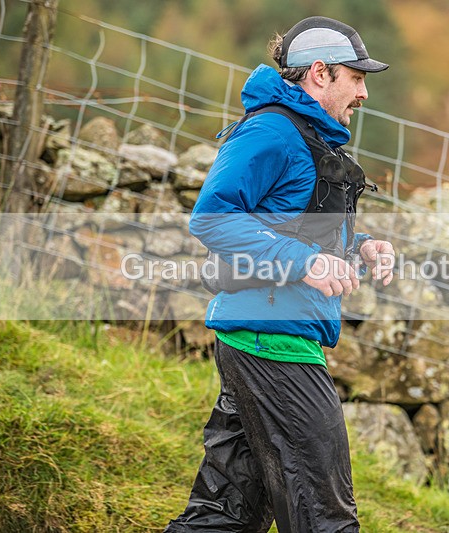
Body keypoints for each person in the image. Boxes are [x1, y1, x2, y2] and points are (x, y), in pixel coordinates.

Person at [165, 16, 395, 533]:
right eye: (356, 77)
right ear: (319, 73)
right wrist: (307, 262)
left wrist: (359, 248)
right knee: (324, 516)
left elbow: (286, 226)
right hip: (273, 346)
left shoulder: (307, 137)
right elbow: (213, 217)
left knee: (225, 516)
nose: (363, 92)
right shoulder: (272, 130)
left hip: (263, 340)